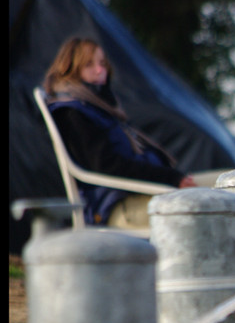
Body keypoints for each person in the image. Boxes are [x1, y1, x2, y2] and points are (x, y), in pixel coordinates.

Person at [42, 36, 212, 227]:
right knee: (224, 200)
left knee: (232, 183)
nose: (100, 70)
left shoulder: (100, 109)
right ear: (70, 70)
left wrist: (173, 178)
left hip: (147, 193)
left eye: (102, 63)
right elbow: (110, 167)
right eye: (89, 64)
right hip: (115, 208)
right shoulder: (72, 113)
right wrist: (171, 178)